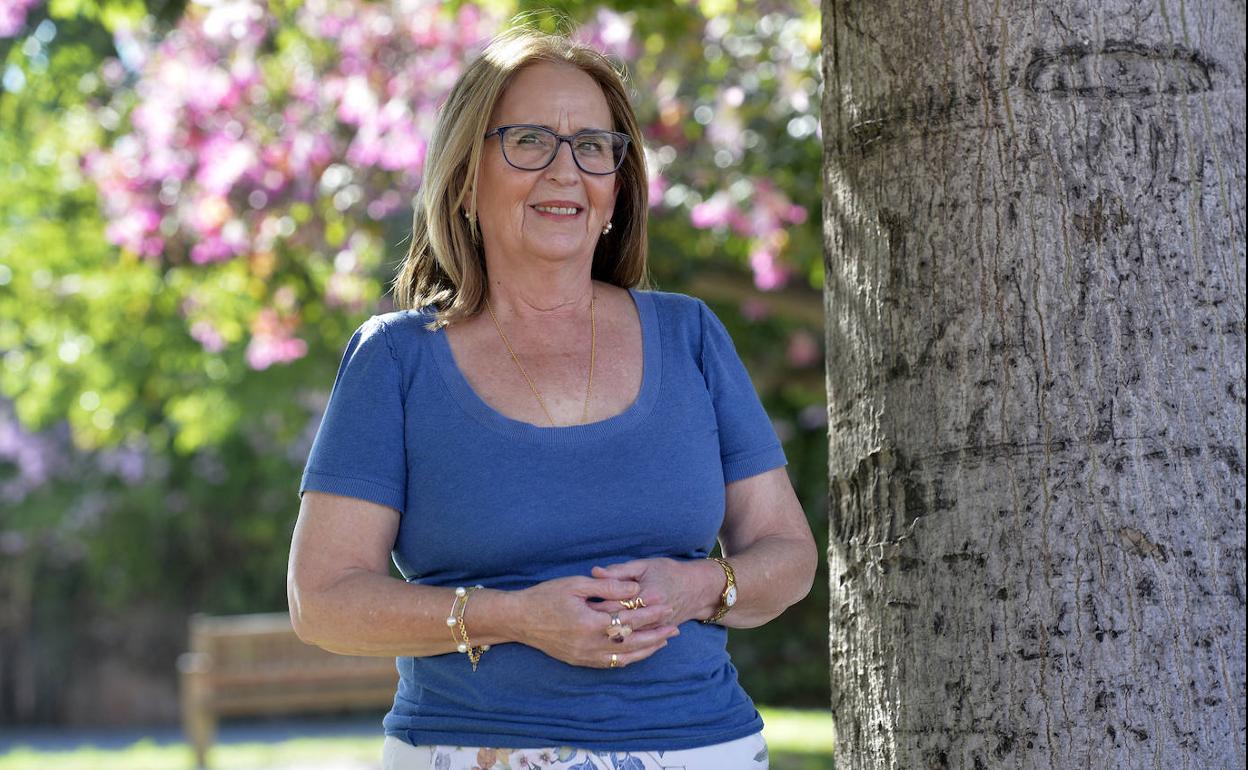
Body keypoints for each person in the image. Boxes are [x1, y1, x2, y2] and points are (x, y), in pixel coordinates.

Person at [287, 27, 818, 770]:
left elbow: (788, 556)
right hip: (473, 750)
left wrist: (699, 586)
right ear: (466, 179)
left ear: (615, 188)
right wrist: (512, 618)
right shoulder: (395, 360)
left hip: (702, 745)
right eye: (530, 140)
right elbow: (324, 601)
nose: (566, 170)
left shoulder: (690, 335)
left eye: (592, 146)